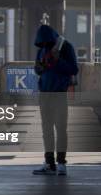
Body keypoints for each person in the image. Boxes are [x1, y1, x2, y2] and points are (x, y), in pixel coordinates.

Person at [32, 24, 79, 176]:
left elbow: (74, 69)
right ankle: (49, 163)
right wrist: (40, 66)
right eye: (42, 43)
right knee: (47, 130)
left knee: (60, 129)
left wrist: (58, 62)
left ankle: (61, 163)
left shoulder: (66, 48)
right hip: (44, 94)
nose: (45, 46)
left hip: (59, 94)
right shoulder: (42, 49)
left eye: (47, 43)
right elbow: (37, 69)